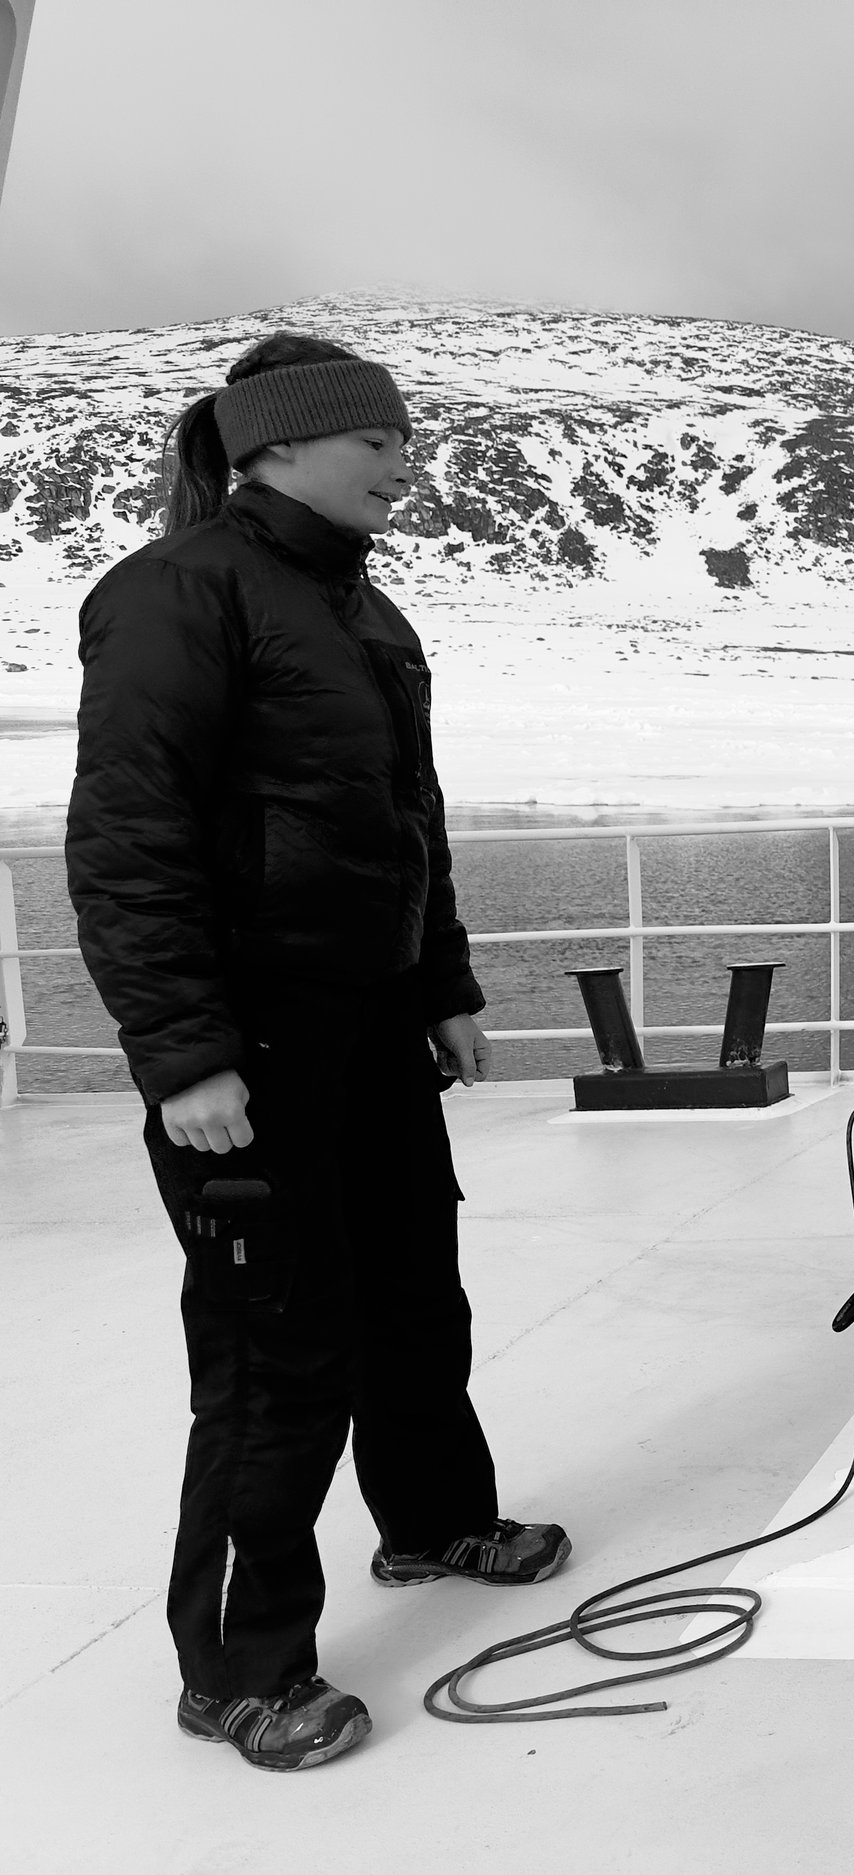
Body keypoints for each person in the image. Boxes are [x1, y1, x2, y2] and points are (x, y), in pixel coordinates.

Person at [66, 333, 568, 1773]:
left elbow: (412, 821)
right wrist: (186, 1056)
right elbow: (125, 842)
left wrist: (446, 981)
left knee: (414, 1293)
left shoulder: (368, 614)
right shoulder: (176, 595)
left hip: (372, 1028)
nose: (406, 462)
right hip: (256, 1048)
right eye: (382, 440)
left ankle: (431, 1523)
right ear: (277, 444)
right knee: (274, 1355)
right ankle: (236, 1668)